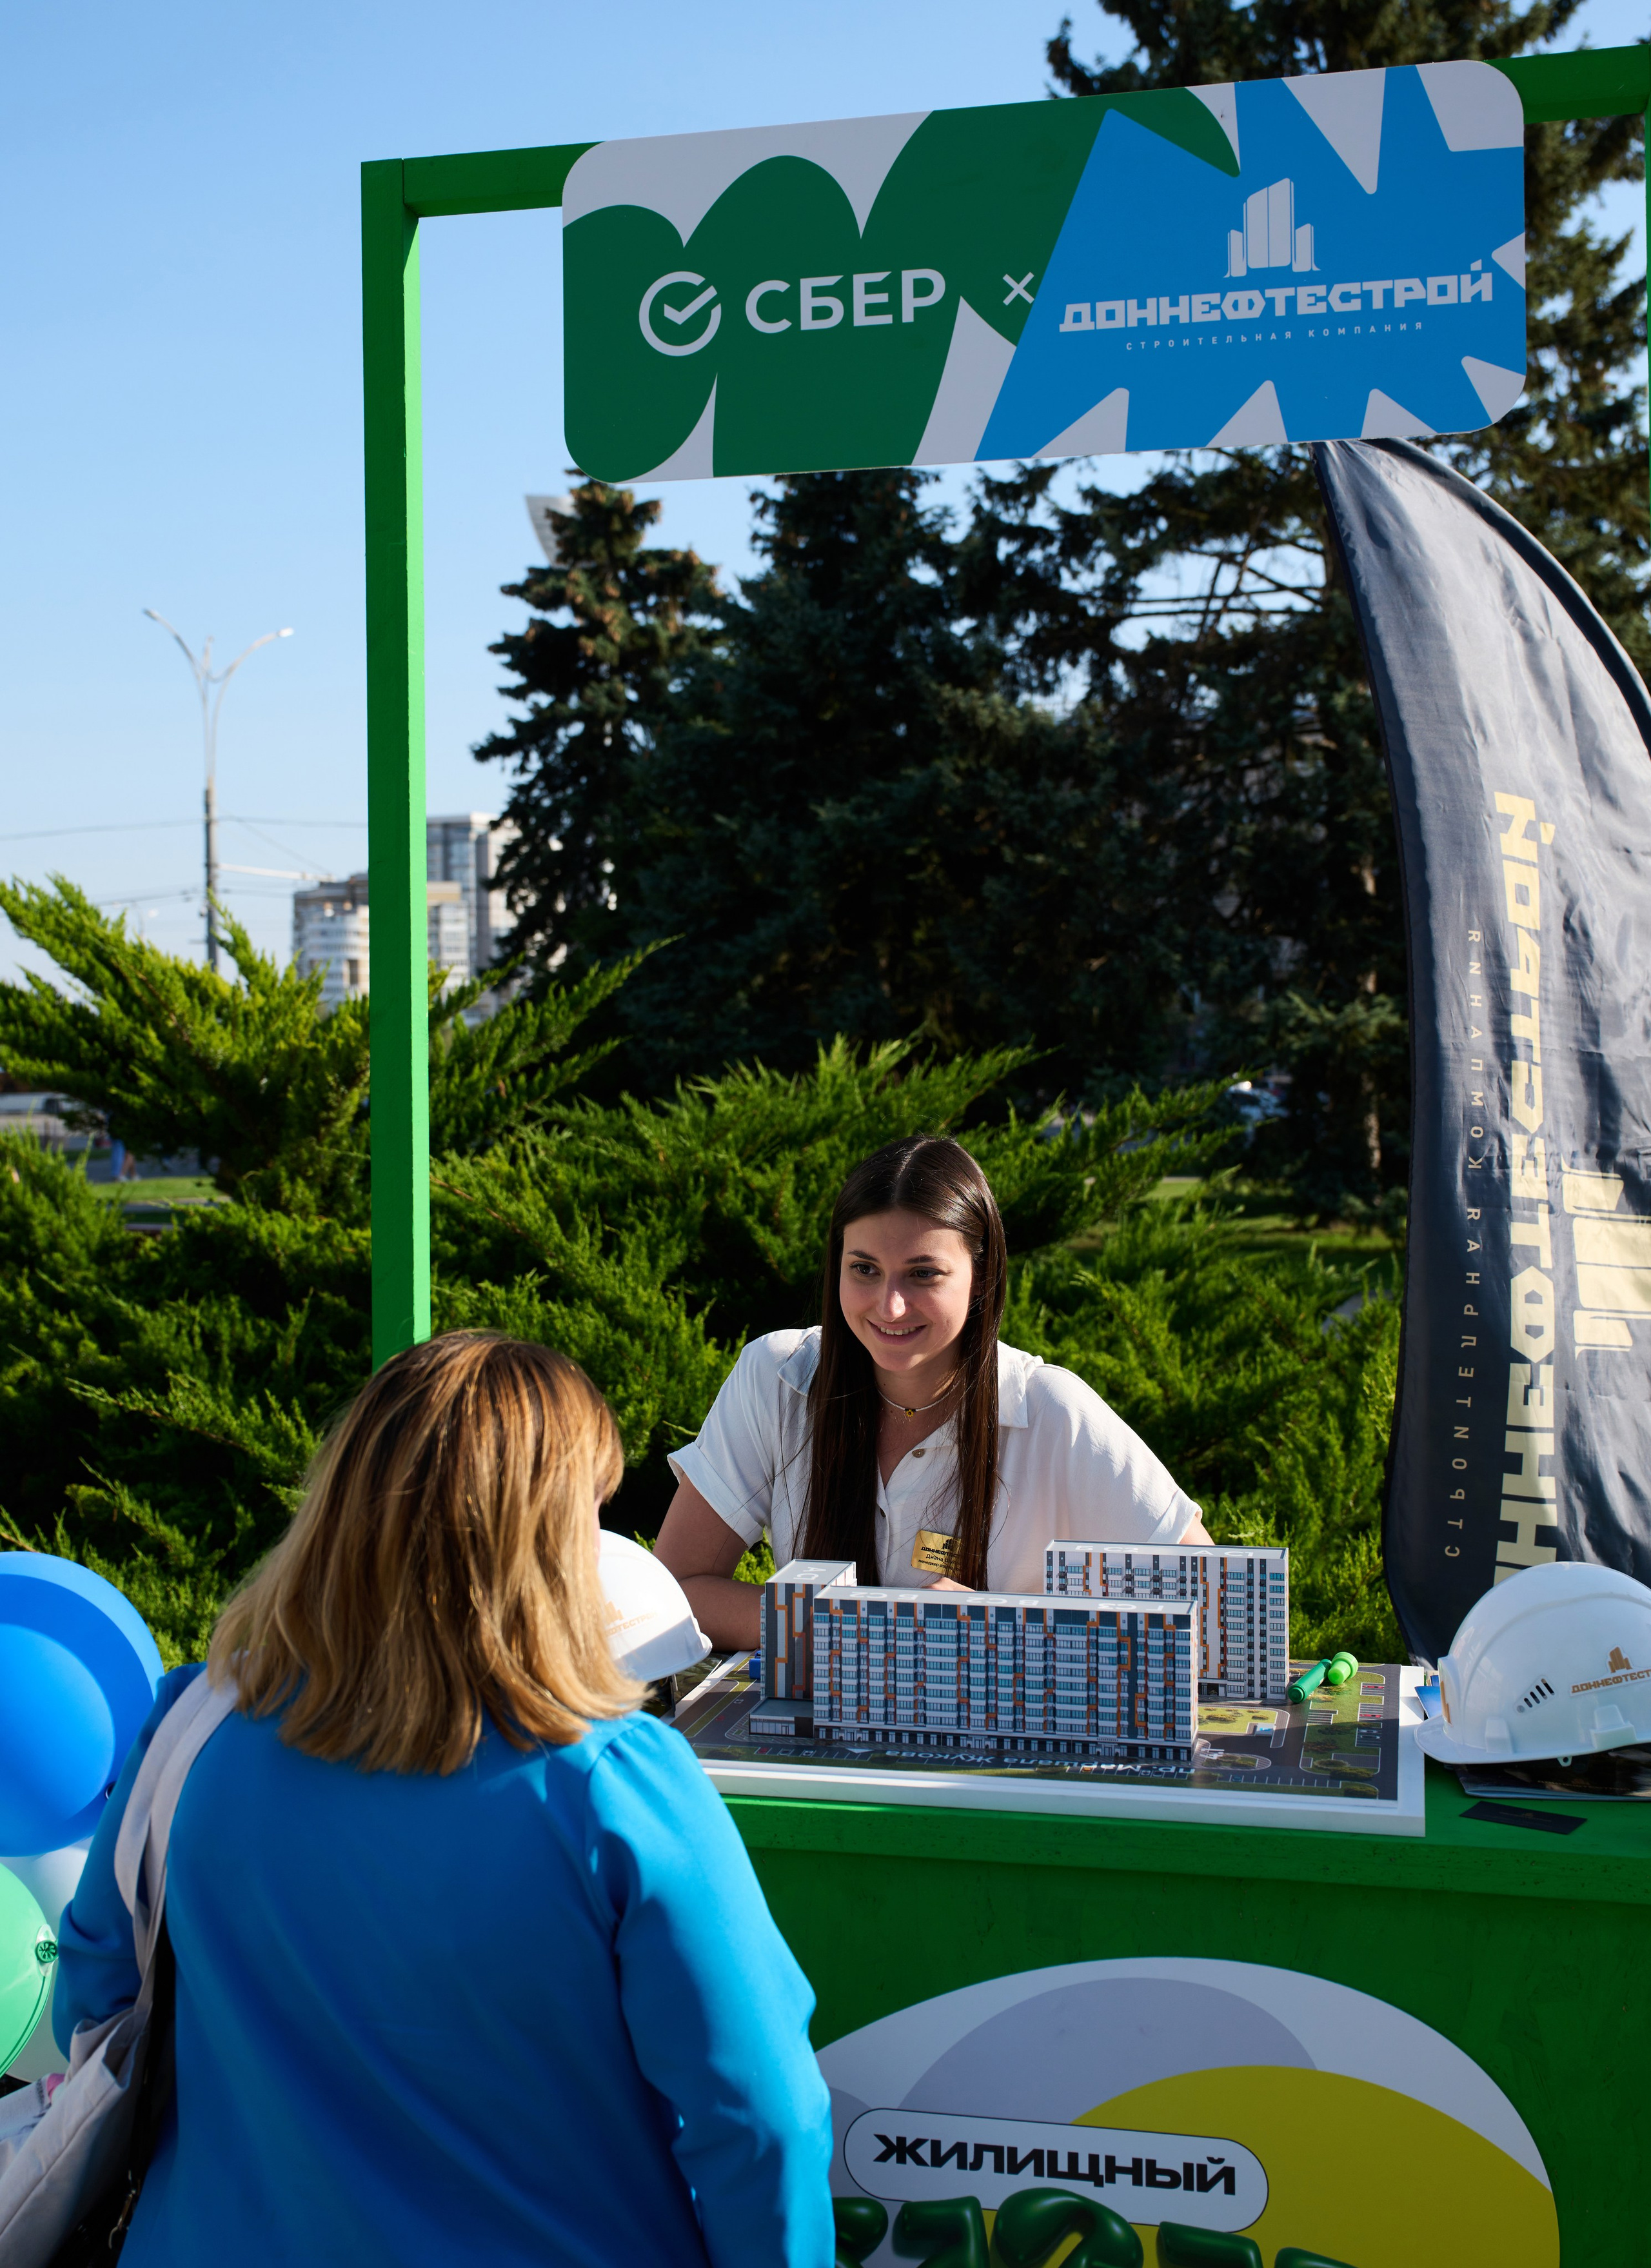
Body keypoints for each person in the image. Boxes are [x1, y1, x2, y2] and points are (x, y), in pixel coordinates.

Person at [54, 1333, 834, 2268]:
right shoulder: (621, 1784)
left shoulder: (190, 1729)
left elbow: (96, 2006)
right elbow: (760, 2117)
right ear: (541, 1536)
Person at [657, 1135, 1211, 1647]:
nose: (890, 1306)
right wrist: (872, 1626)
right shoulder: (777, 1379)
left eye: (924, 1274)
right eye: (865, 1269)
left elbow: (1208, 1606)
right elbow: (678, 1586)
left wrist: (1006, 1631)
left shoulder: (1051, 1411)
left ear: (981, 1273)